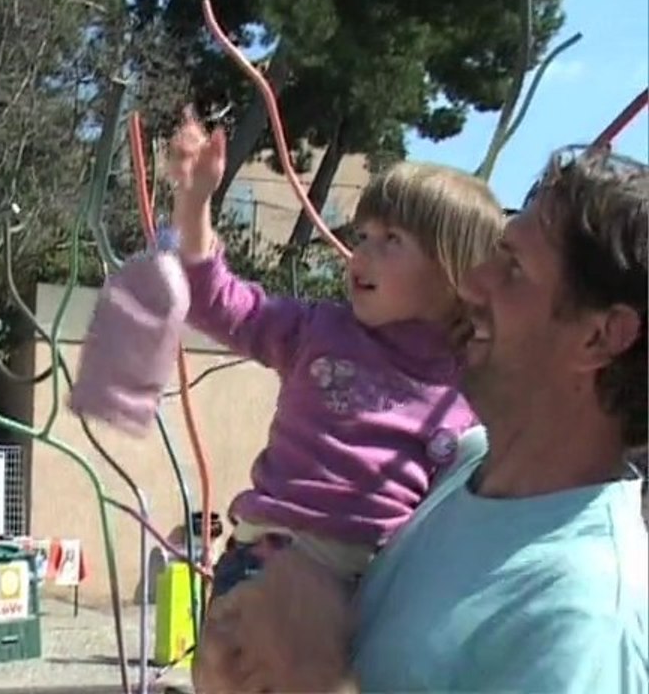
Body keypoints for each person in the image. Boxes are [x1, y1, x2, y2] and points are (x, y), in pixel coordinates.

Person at [193, 146, 648, 693]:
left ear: (600, 337)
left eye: (513, 269)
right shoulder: (462, 467)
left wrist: (315, 681)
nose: (474, 282)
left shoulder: (584, 615)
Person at [168, 109, 505, 692]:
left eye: (390, 241)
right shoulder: (317, 331)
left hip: (373, 586)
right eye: (362, 237)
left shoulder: (472, 381)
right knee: (236, 672)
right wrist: (194, 202)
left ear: (458, 274)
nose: (360, 256)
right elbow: (212, 301)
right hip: (271, 556)